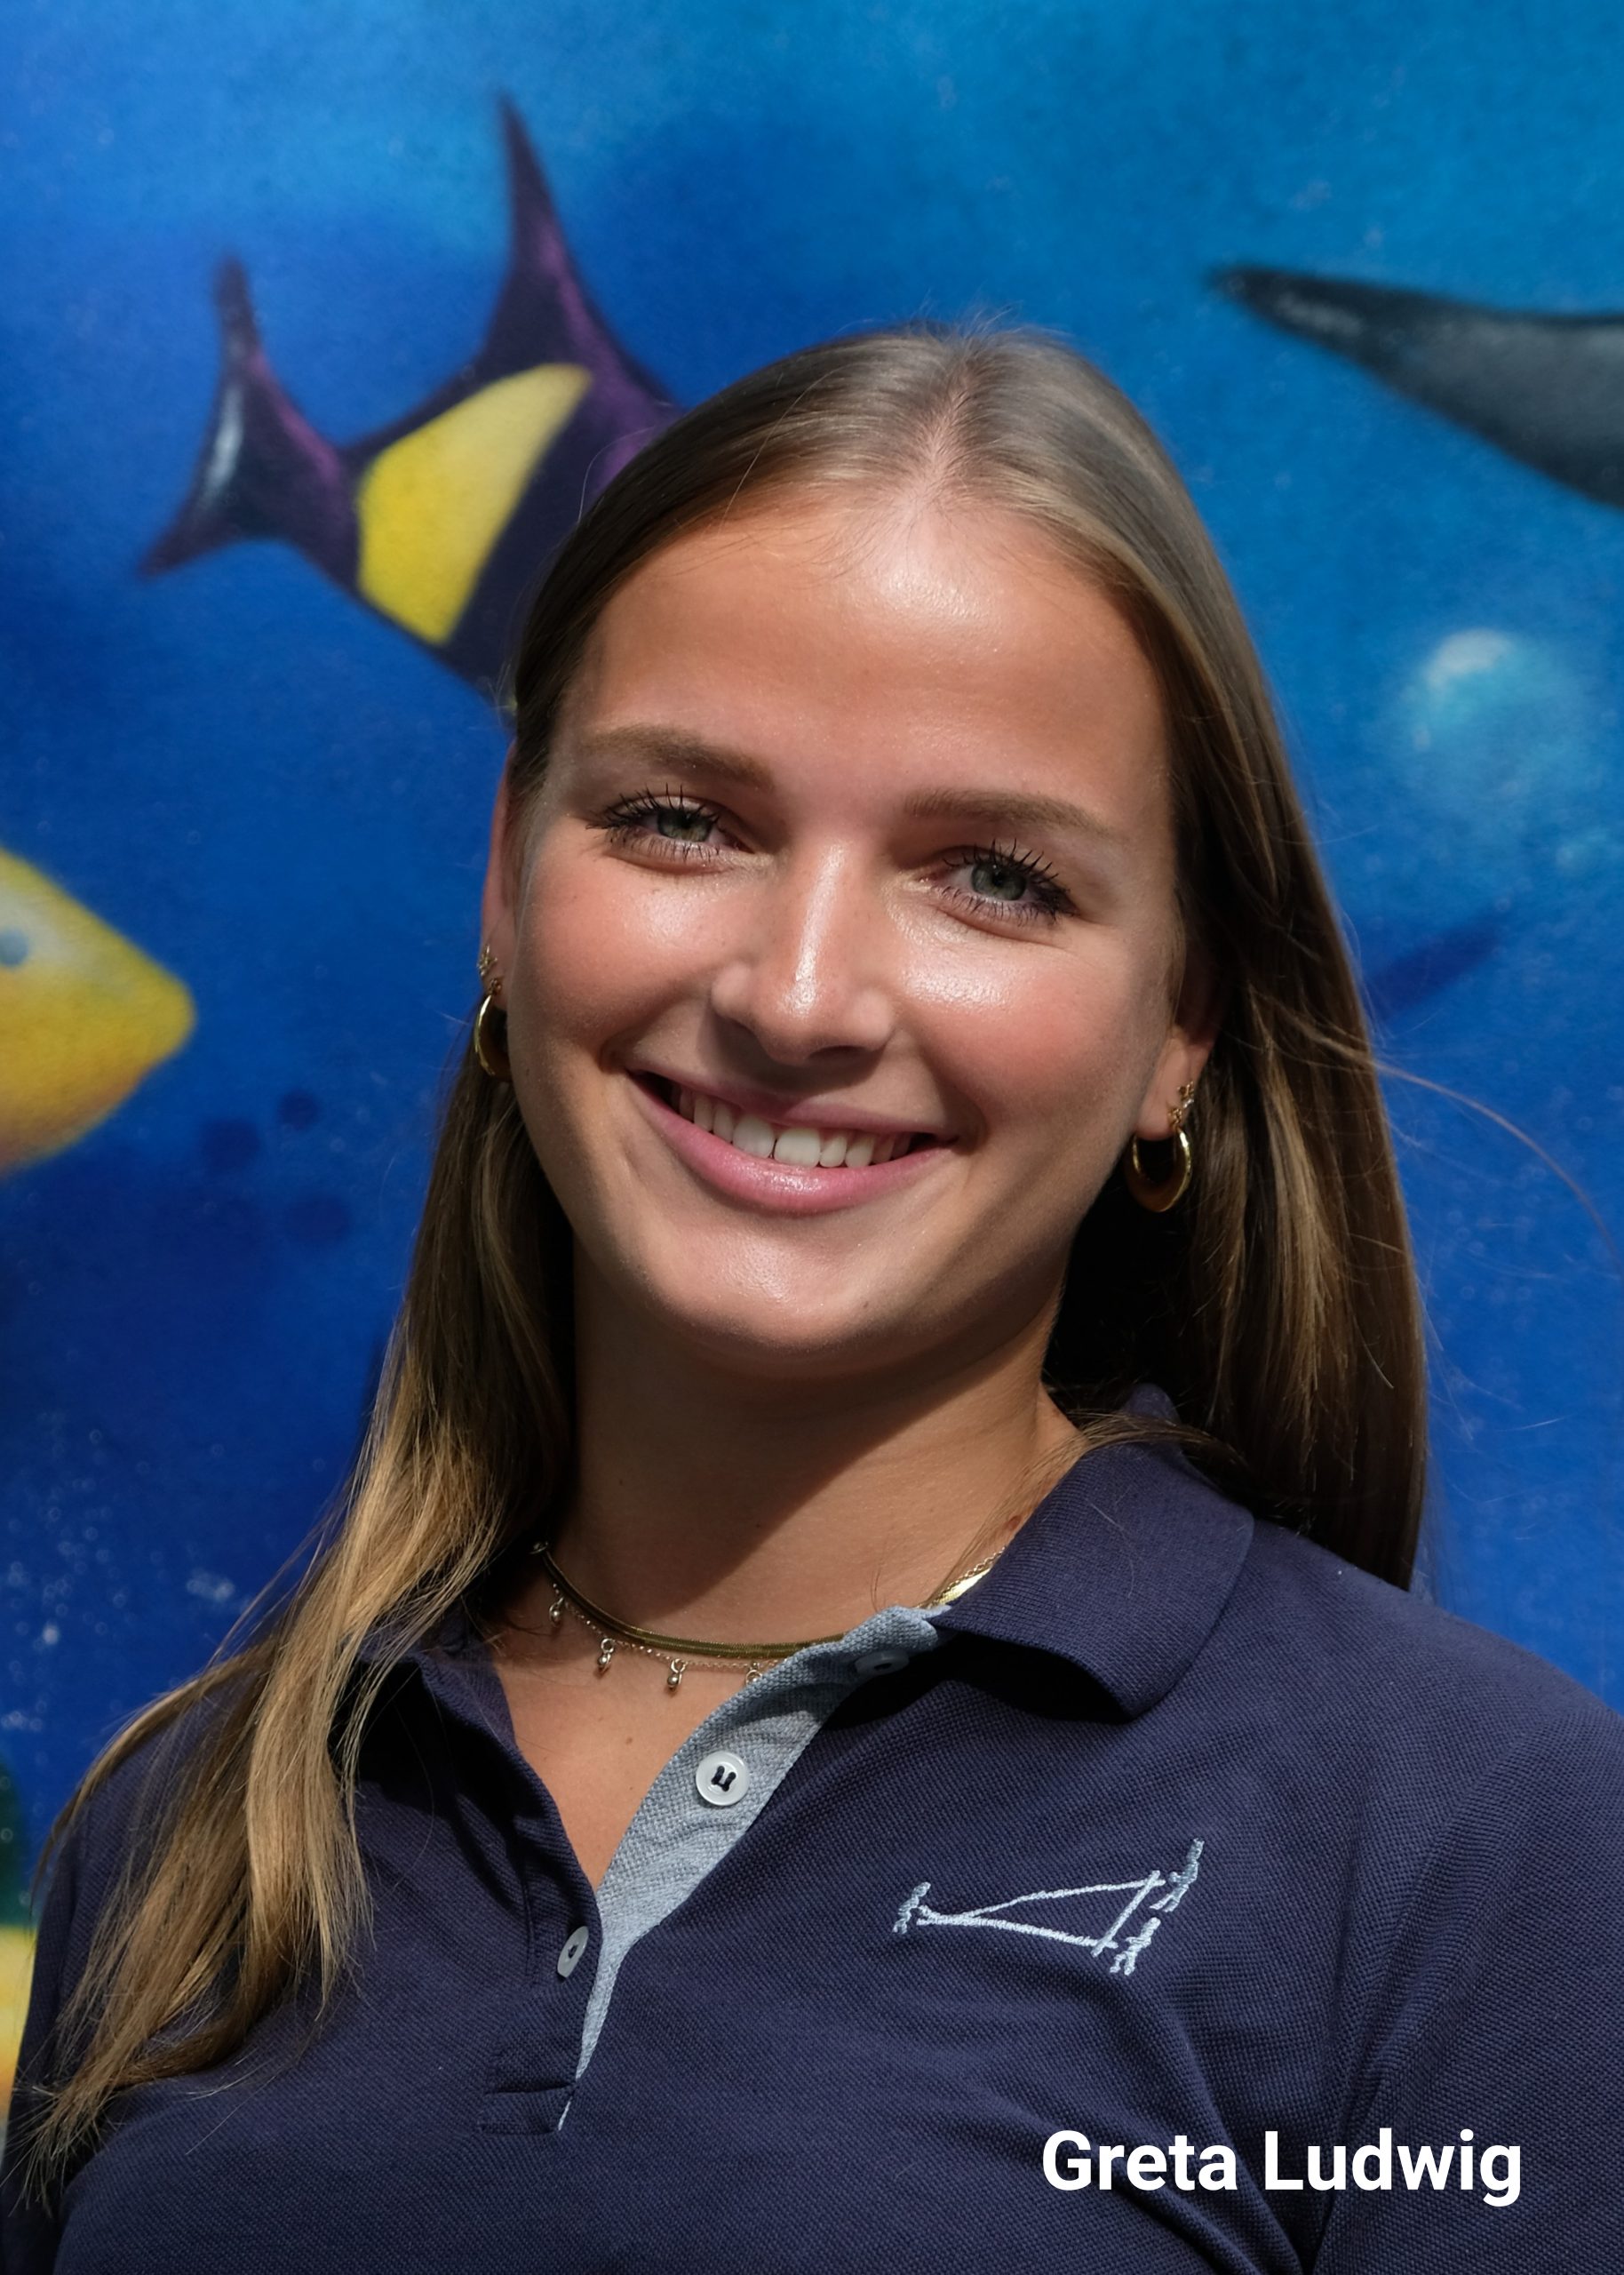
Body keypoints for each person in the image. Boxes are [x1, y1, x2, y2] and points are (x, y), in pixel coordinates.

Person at [4, 319, 1622, 2274]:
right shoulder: (192, 1821)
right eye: (683, 819)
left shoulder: (1481, 1845)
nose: (796, 995)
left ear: (1182, 1020)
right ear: (506, 876)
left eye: (993, 875)